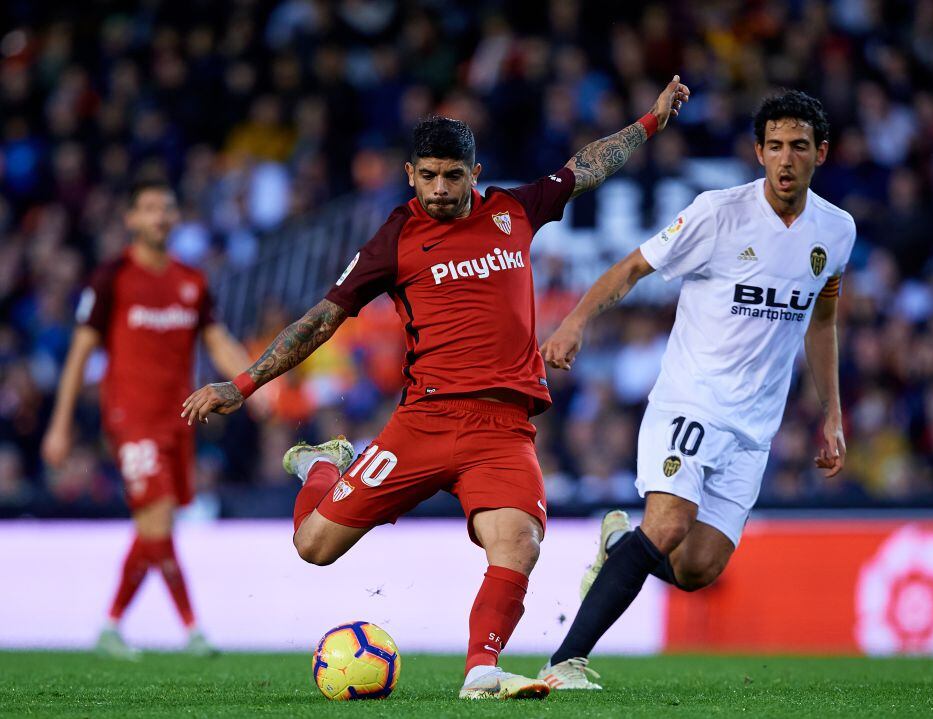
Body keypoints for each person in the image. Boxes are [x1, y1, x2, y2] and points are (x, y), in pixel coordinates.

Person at [180, 77, 691, 700]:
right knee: (313, 547)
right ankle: (322, 465)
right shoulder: (395, 238)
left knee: (519, 542)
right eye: (429, 177)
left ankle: (481, 670)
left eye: (454, 176)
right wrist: (242, 383)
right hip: (423, 421)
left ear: (475, 171)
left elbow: (585, 167)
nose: (442, 190)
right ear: (410, 175)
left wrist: (649, 122)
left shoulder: (514, 209)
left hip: (503, 428)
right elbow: (321, 319)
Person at [535, 90, 856, 690]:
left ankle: (618, 549)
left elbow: (824, 319)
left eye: (801, 147)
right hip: (692, 399)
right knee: (669, 522)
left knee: (696, 568)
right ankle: (563, 663)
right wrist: (576, 321)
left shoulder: (836, 232)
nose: (787, 160)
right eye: (777, 146)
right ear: (759, 152)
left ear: (822, 154)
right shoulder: (718, 214)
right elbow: (633, 266)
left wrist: (832, 414)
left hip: (753, 427)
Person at [42, 179, 258, 659]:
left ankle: (110, 626)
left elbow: (217, 340)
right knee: (158, 518)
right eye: (149, 208)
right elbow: (80, 353)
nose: (159, 216)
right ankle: (193, 628)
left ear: (176, 218)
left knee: (154, 526)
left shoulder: (191, 281)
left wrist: (251, 381)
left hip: (179, 419)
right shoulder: (111, 278)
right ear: (131, 219)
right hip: (130, 419)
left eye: (167, 207)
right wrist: (59, 425)